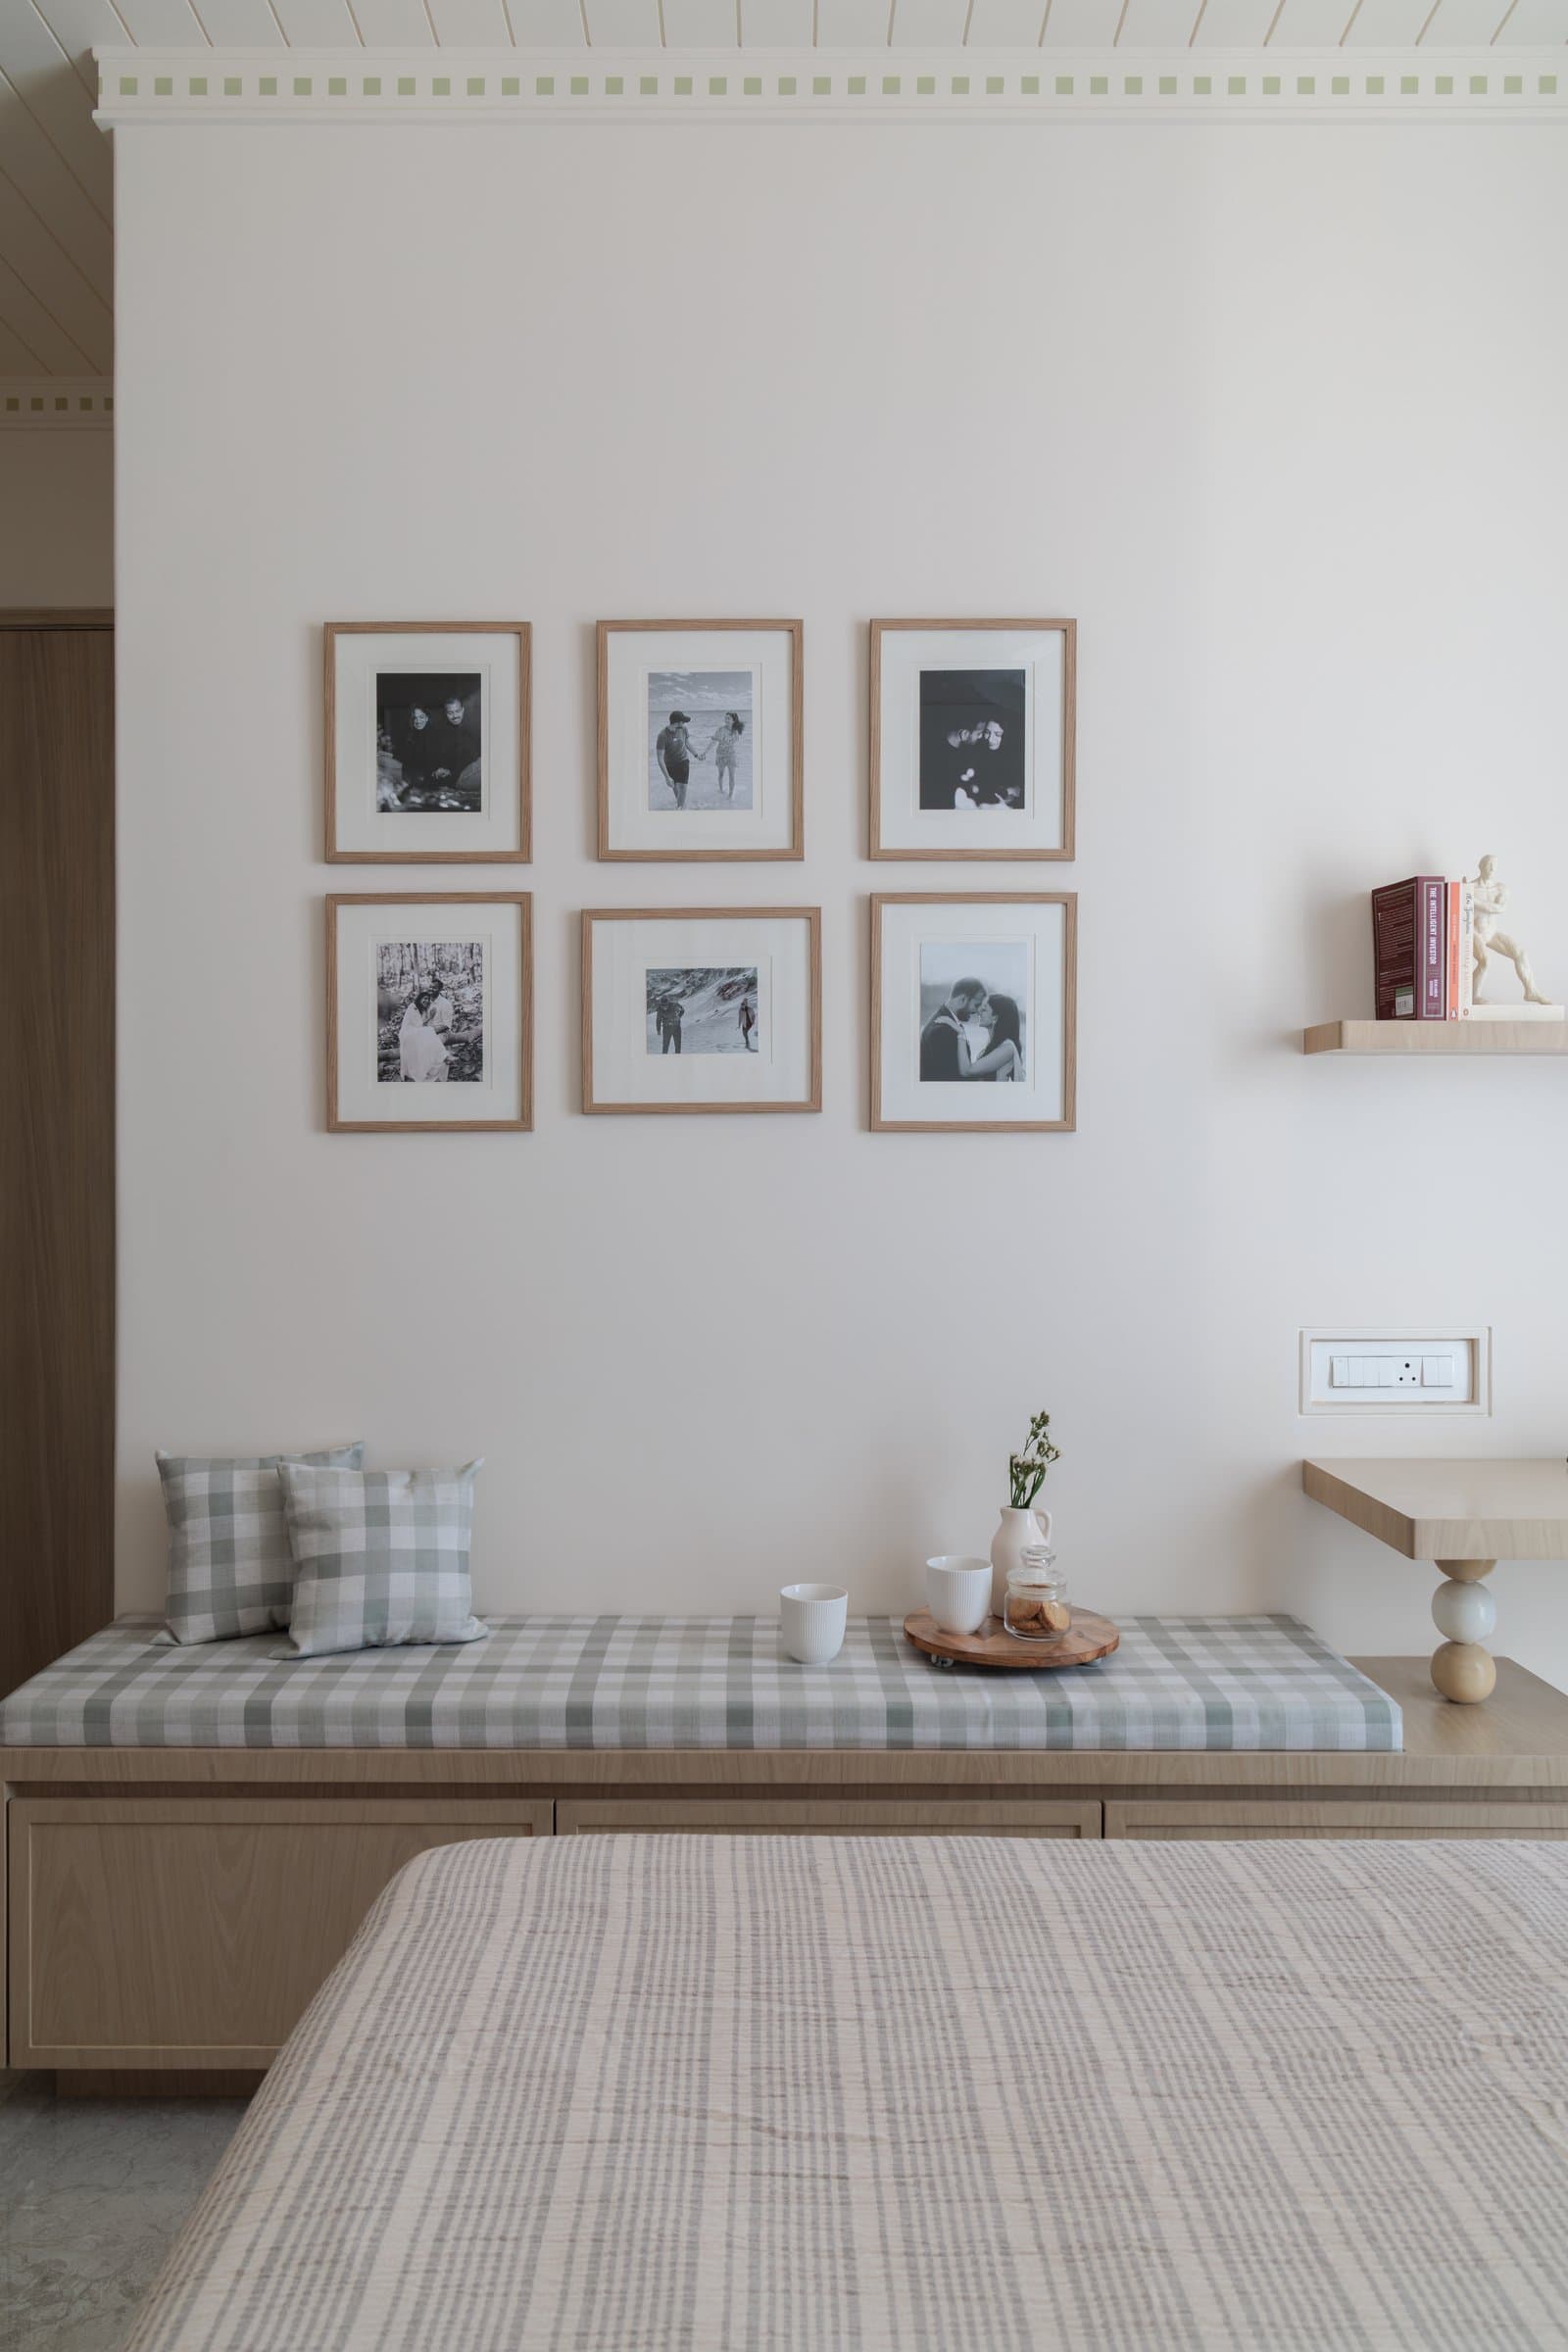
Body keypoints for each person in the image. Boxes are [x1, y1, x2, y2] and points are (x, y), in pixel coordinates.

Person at [919, 977, 989, 1080]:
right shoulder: (942, 1031)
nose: (978, 1011)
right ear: (962, 999)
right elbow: (952, 1080)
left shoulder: (946, 1022)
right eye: (977, 1005)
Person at [423, 694, 480, 809]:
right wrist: (439, 771)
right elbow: (434, 762)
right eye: (450, 713)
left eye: (457, 711)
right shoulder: (440, 734)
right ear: (446, 713)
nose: (455, 716)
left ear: (463, 710)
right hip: (458, 778)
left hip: (470, 773)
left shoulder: (472, 730)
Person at [957, 991, 1023, 1082]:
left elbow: (967, 1071)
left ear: (995, 1018)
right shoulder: (993, 1045)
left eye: (984, 1009)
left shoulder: (1007, 1048)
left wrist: (961, 1035)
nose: (979, 1012)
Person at [655, 710, 704, 810]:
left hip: (683, 761)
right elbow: (660, 758)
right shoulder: (662, 736)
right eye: (683, 721)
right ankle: (681, 805)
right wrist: (667, 777)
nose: (684, 723)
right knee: (675, 787)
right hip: (670, 765)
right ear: (677, 722)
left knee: (683, 788)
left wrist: (696, 755)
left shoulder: (684, 729)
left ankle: (680, 810)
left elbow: (687, 743)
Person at [398, 990, 450, 1082]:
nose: (427, 1001)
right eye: (425, 998)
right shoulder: (412, 1007)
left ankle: (432, 1065)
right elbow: (419, 1025)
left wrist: (430, 1017)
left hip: (416, 1032)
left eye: (428, 999)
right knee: (429, 1030)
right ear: (420, 999)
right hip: (407, 1032)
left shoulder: (423, 1010)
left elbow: (423, 1026)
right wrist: (431, 1017)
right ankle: (444, 1056)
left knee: (428, 1034)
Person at [707, 710, 745, 801]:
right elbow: (713, 742)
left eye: (728, 718)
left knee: (732, 775)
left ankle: (731, 795)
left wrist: (724, 740)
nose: (726, 720)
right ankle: (721, 790)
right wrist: (705, 752)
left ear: (733, 720)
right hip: (720, 754)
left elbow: (735, 741)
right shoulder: (720, 729)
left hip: (731, 754)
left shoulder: (736, 731)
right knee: (721, 774)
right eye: (725, 718)